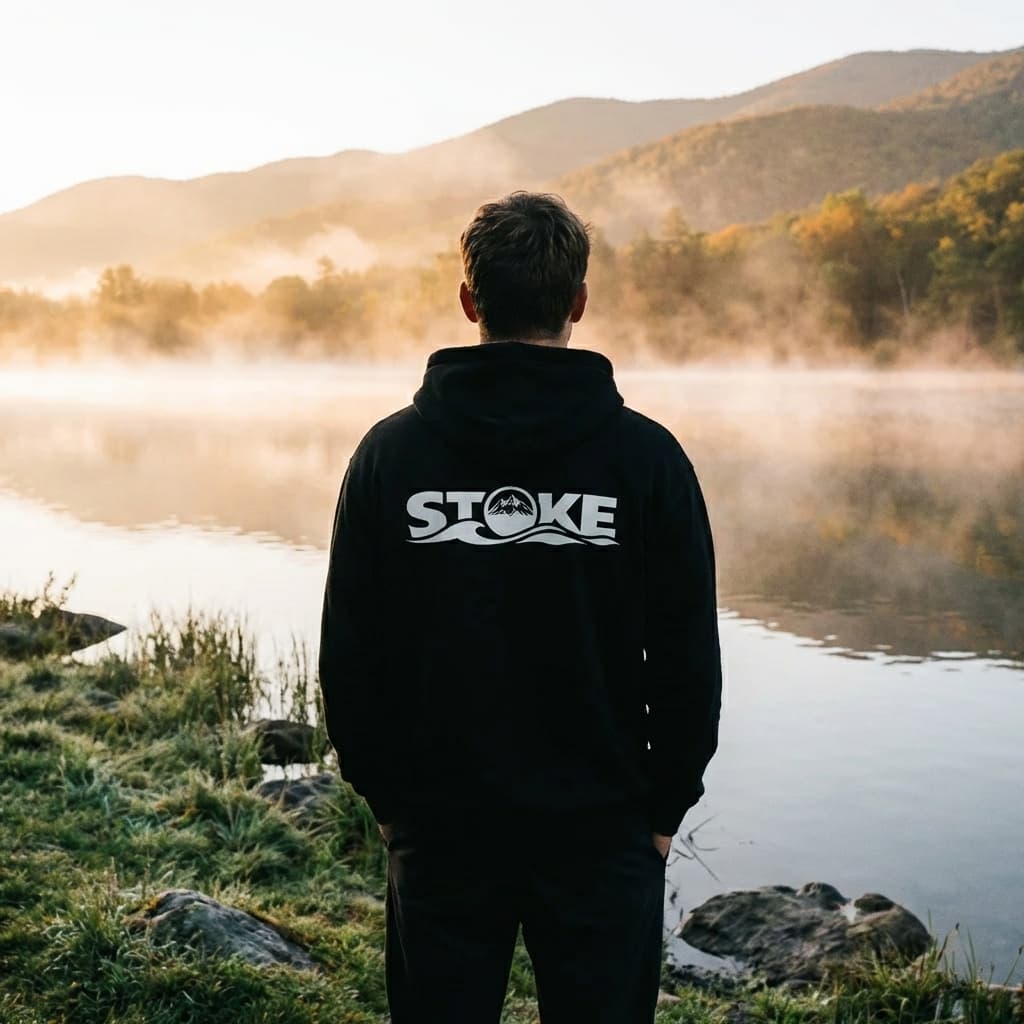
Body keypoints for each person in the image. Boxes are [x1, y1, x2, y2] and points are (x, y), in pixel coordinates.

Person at [318, 191, 721, 1023]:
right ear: (579, 302)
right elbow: (688, 658)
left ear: (470, 302)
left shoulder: (391, 455)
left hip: (445, 827)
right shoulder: (646, 459)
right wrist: (662, 809)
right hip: (602, 830)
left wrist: (388, 800)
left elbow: (351, 654)